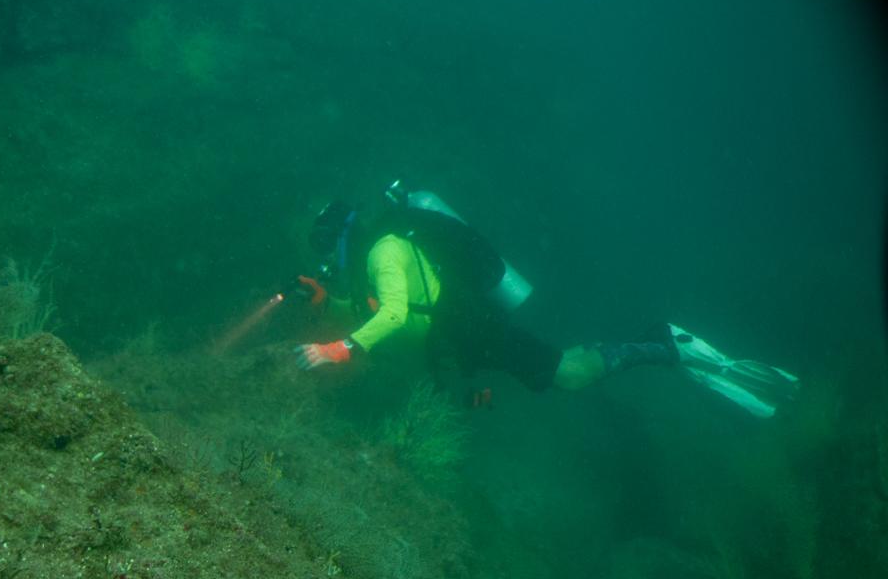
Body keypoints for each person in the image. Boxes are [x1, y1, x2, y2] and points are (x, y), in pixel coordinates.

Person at [290, 187, 798, 417]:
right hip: (457, 339)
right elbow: (380, 313)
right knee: (562, 374)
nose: (323, 257)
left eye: (321, 244)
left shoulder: (384, 250)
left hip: (472, 327)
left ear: (341, 234)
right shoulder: (371, 264)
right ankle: (657, 343)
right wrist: (326, 302)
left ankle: (664, 344)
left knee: (569, 375)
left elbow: (395, 315)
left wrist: (342, 348)